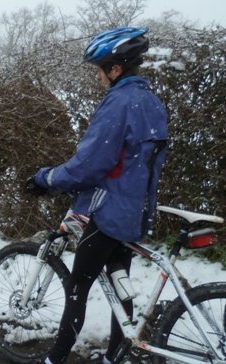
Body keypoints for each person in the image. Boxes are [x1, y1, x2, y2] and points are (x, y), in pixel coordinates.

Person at [26, 27, 168, 364]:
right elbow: (134, 163)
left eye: (99, 69)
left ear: (115, 69)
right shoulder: (151, 102)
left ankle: (55, 359)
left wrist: (47, 178)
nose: (98, 77)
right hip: (134, 211)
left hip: (109, 212)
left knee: (78, 286)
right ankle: (116, 356)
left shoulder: (119, 103)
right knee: (121, 283)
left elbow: (90, 163)